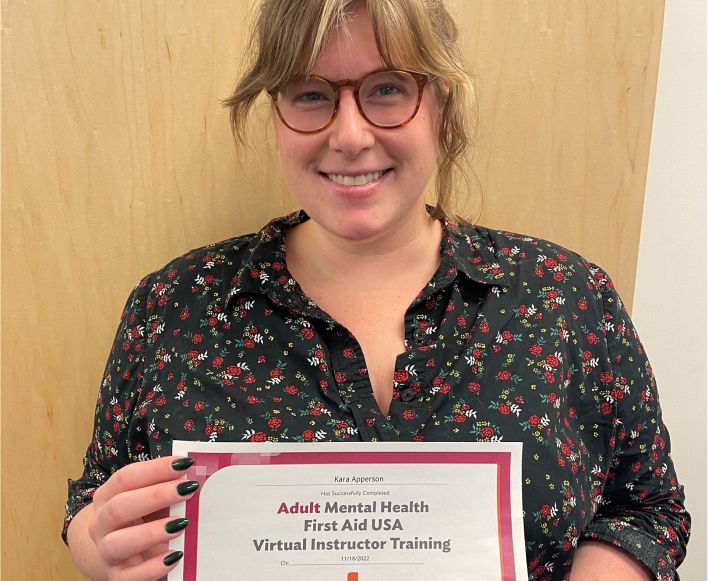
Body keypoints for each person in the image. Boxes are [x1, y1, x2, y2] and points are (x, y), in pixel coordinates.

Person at [63, 1, 690, 579]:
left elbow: (647, 509)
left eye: (387, 90)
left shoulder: (563, 296)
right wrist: (103, 545)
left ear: (440, 101)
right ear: (274, 112)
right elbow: (94, 505)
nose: (351, 136)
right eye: (310, 95)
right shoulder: (174, 305)